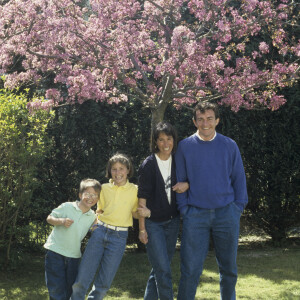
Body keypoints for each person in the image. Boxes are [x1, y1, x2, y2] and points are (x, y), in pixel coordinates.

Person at [175, 102, 248, 300]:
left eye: (209, 119)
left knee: (229, 269)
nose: (204, 123)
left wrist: (238, 207)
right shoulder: (184, 146)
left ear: (217, 120)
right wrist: (184, 209)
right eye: (200, 119)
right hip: (195, 215)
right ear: (194, 121)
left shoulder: (229, 145)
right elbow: (179, 181)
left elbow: (239, 178)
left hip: (227, 213)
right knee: (190, 269)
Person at [71, 153, 146, 300]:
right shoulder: (104, 188)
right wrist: (94, 228)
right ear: (110, 171)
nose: (118, 173)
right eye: (114, 169)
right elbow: (99, 210)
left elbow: (135, 214)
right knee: (82, 277)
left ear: (128, 170)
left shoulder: (135, 190)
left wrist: (145, 213)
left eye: (121, 168)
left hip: (119, 237)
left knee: (104, 283)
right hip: (100, 232)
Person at [138, 121, 189, 300]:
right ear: (155, 142)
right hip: (153, 224)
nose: (166, 143)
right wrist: (142, 229)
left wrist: (188, 184)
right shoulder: (149, 164)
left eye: (169, 139)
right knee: (163, 271)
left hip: (172, 222)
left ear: (174, 140)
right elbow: (142, 199)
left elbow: (191, 179)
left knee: (160, 268)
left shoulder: (179, 160)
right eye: (161, 140)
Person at [44, 178, 101, 300]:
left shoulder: (93, 216)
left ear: (98, 198)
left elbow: (95, 229)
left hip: (74, 256)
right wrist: (61, 221)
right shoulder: (67, 206)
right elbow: (49, 218)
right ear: (80, 195)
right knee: (56, 287)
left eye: (94, 195)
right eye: (87, 194)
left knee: (70, 288)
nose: (90, 197)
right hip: (55, 252)